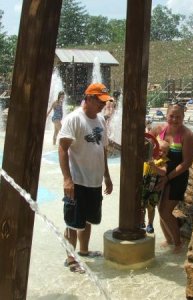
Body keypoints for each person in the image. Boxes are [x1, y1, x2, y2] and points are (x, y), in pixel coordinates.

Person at [58, 82, 113, 273]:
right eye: (100, 101)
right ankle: (71, 259)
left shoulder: (100, 120)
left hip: (94, 181)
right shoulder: (74, 119)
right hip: (77, 180)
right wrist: (67, 179)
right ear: (88, 98)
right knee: (72, 222)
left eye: (104, 101)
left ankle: (84, 251)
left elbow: (103, 149)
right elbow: (63, 148)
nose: (102, 105)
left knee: (88, 219)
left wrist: (107, 175)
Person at [154, 101, 193, 254]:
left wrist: (168, 177)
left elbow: (187, 163)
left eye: (178, 117)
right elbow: (148, 144)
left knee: (166, 211)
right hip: (161, 174)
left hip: (177, 177)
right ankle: (169, 239)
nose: (174, 119)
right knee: (160, 209)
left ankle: (178, 243)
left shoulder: (188, 136)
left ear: (183, 117)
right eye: (171, 116)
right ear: (166, 115)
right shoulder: (159, 130)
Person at [141, 140, 169, 233]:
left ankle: (150, 224)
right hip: (144, 186)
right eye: (160, 150)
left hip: (155, 189)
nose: (161, 153)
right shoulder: (148, 158)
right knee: (141, 205)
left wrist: (154, 167)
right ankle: (141, 221)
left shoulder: (163, 162)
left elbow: (164, 172)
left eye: (164, 152)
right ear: (154, 149)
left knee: (151, 207)